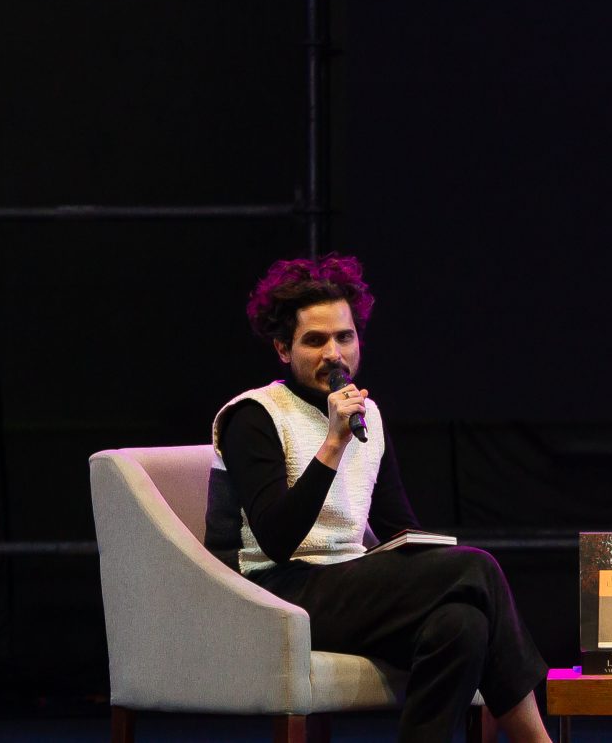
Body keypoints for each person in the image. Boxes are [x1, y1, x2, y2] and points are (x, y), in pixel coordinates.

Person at [204, 255, 552, 743]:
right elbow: (278, 539)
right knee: (477, 568)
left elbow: (398, 529)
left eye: (344, 337)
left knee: (462, 624)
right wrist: (332, 444)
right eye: (315, 340)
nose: (334, 353)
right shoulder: (253, 416)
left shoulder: (370, 416)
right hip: (274, 589)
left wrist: (426, 561)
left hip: (349, 584)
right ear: (283, 349)